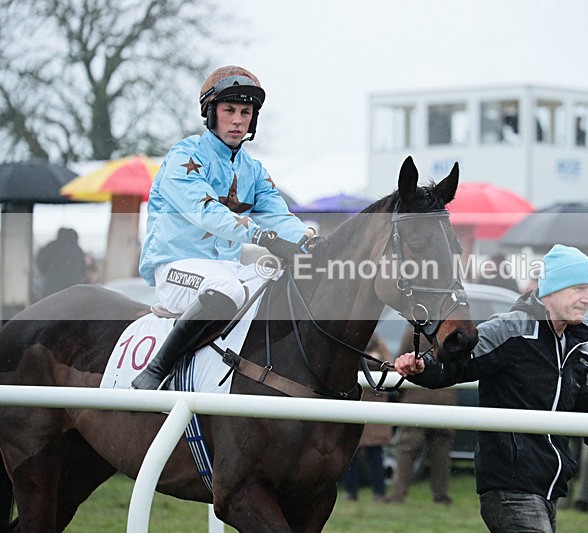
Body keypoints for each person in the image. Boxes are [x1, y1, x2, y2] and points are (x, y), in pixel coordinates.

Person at [395, 244, 588, 532]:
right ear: (552, 289)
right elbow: (458, 362)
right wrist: (423, 366)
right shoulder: (509, 329)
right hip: (509, 489)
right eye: (579, 289)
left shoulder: (579, 351)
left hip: (549, 491)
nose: (587, 299)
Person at [133, 65, 317, 390]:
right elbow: (206, 211)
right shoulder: (184, 156)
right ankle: (157, 369)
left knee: (279, 282)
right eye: (229, 110)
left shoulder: (253, 170)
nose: (237, 120)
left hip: (225, 270)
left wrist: (310, 243)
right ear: (211, 113)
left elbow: (278, 216)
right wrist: (260, 236)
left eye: (245, 113)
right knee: (229, 290)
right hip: (175, 269)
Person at [387, 329, 457, 505]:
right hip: (444, 400)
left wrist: (401, 393)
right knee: (441, 453)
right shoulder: (450, 331)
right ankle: (441, 496)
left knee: (407, 449)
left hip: (416, 399)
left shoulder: (413, 332)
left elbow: (400, 363)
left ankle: (397, 494)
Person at [341, 335, 394, 502]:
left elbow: (391, 367)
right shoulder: (352, 340)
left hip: (374, 407)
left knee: (374, 454)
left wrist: (373, 360)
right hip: (355, 403)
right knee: (351, 454)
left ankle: (378, 492)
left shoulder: (380, 343)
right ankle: (351, 491)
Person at [35, 227, 88, 299]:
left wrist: (47, 273)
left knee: (52, 304)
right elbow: (83, 269)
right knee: (71, 305)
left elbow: (41, 262)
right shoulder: (78, 250)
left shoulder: (51, 246)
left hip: (52, 287)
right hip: (73, 289)